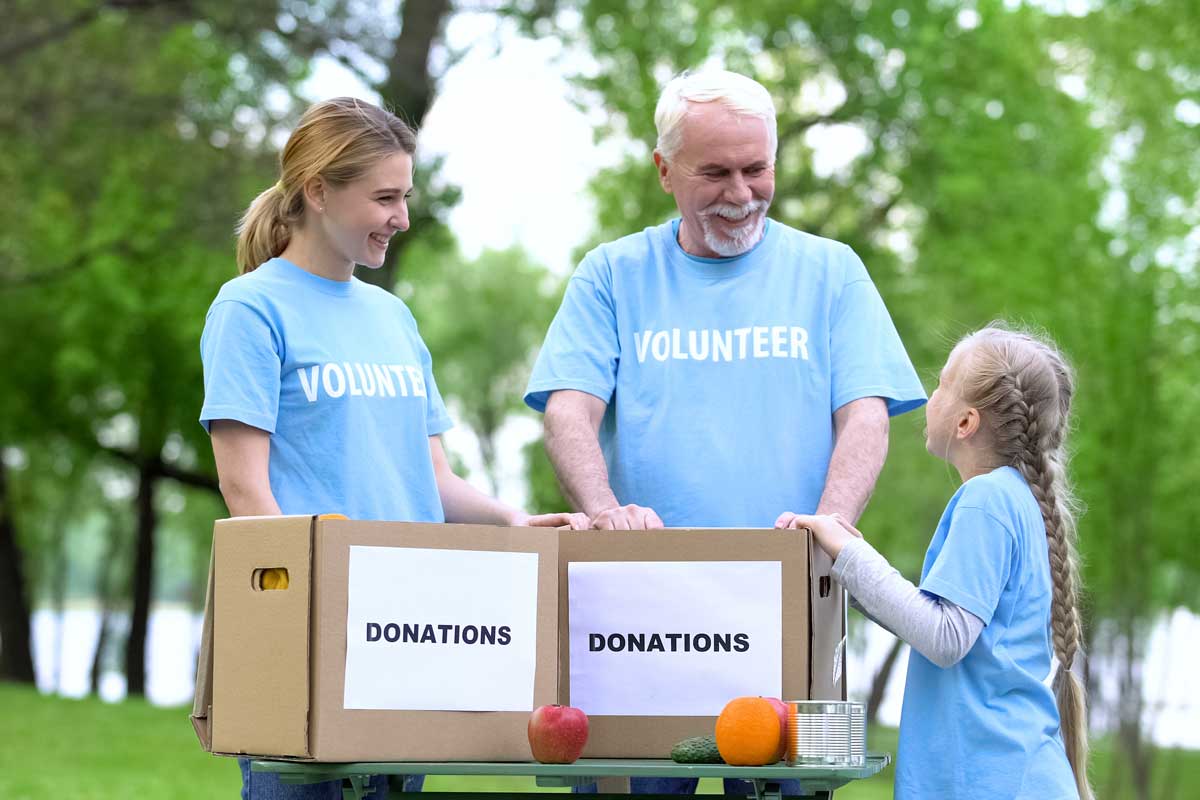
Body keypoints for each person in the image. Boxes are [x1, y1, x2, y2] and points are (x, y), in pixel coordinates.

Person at [524, 70, 927, 794]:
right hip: (637, 614)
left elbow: (865, 415)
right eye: (714, 173)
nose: (741, 194)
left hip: (797, 601)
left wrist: (832, 525)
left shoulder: (833, 272)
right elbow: (567, 411)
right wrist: (606, 510)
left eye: (757, 168)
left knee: (798, 787)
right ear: (664, 171)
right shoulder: (610, 276)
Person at [200, 97, 586, 800]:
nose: (401, 218)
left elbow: (430, 476)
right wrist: (309, 618)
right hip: (308, 641)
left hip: (409, 632)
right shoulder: (250, 310)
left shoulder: (393, 317)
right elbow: (246, 490)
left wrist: (511, 522)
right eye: (384, 198)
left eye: (404, 197)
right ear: (318, 192)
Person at [778, 324, 1092, 800]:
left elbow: (945, 638)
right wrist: (844, 565)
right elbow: (938, 622)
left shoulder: (985, 500)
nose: (931, 395)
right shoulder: (1017, 500)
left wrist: (851, 554)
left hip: (992, 782)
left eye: (943, 384)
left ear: (965, 423)